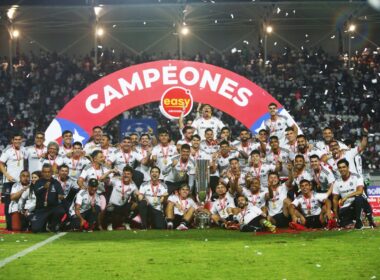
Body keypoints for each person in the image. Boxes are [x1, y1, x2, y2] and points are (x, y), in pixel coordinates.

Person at [332, 159, 375, 229]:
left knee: (358, 197)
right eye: (340, 167)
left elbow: (360, 191)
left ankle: (361, 220)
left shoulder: (357, 177)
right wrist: (336, 216)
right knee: (343, 224)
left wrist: (346, 197)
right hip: (347, 207)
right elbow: (335, 199)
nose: (342, 169)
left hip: (361, 204)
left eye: (344, 167)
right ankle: (357, 220)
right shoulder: (337, 182)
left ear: (348, 167)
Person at [0, 132, 27, 230]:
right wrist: (7, 175)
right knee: (8, 204)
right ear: (12, 140)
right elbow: (1, 164)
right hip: (9, 181)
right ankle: (9, 226)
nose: (17, 141)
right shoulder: (7, 151)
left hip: (20, 182)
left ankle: (20, 225)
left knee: (21, 202)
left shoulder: (24, 150)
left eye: (19, 139)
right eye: (15, 140)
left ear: (22, 140)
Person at [31, 164, 65, 233]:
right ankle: (43, 224)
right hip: (41, 209)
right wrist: (44, 187)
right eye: (45, 172)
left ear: (52, 172)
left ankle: (52, 224)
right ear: (42, 173)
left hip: (52, 208)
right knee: (36, 230)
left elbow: (61, 194)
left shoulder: (56, 182)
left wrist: (61, 196)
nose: (47, 174)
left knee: (61, 210)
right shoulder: (38, 182)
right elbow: (36, 193)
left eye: (49, 172)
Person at [106, 166, 138, 231]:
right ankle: (109, 224)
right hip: (113, 206)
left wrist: (138, 200)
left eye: (128, 174)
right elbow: (102, 179)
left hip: (123, 207)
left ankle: (126, 222)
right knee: (110, 207)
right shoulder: (116, 180)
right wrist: (110, 171)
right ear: (122, 174)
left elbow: (138, 194)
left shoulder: (133, 186)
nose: (126, 175)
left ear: (131, 175)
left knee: (136, 205)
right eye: (125, 174)